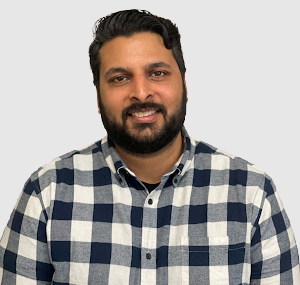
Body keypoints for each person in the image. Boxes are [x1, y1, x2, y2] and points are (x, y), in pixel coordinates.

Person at [0, 9, 299, 285]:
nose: (141, 92)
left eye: (157, 73)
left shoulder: (252, 193)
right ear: (98, 97)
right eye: (120, 78)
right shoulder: (47, 193)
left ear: (184, 83)